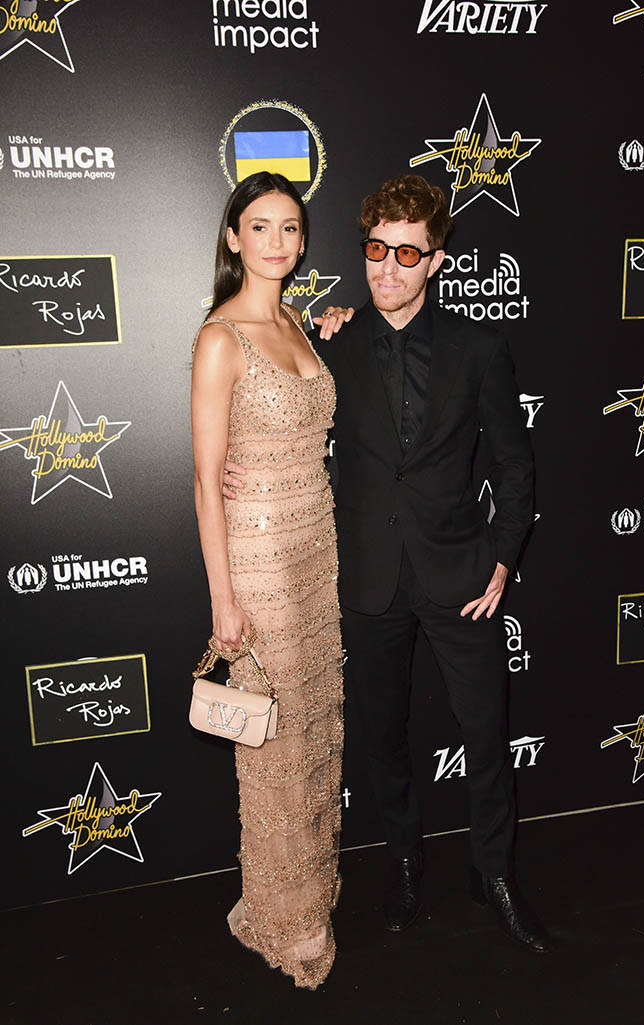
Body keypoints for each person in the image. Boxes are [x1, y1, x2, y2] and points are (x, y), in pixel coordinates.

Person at [227, 173, 552, 953]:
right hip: (368, 577)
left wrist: (503, 558)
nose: (388, 267)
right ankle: (403, 863)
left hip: (460, 576)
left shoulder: (479, 348)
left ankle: (494, 872)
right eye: (376, 249)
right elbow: (271, 400)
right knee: (385, 739)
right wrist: (244, 468)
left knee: (484, 728)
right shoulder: (327, 339)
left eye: (408, 253)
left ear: (436, 261)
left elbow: (515, 466)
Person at [191, 171, 347, 989]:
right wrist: (223, 598)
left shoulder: (292, 319)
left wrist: (335, 327)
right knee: (276, 743)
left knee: (313, 729)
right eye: (261, 227)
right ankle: (287, 922)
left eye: (290, 227)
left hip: (315, 551)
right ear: (233, 238)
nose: (278, 241)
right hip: (258, 566)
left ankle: (307, 888)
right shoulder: (222, 338)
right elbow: (204, 476)